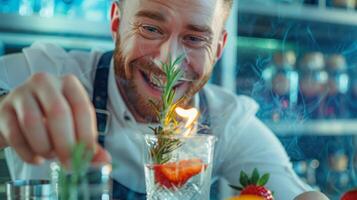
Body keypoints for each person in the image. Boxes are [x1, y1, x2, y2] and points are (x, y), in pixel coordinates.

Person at [0, 0, 328, 199]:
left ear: (218, 48)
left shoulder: (226, 121)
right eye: (151, 29)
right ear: (116, 22)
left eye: (195, 38)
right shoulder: (44, 70)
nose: (168, 60)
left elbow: (294, 192)